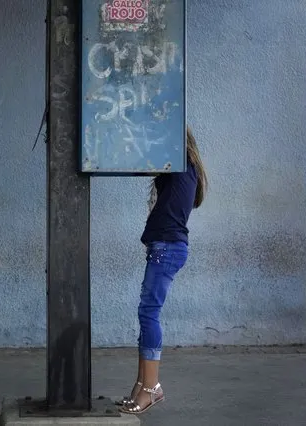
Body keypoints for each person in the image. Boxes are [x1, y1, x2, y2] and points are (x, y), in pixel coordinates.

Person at [118, 127, 207, 415]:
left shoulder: (180, 163)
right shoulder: (183, 166)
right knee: (147, 314)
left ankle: (152, 388)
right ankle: (142, 385)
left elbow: (139, 165)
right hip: (165, 246)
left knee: (149, 314)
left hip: (167, 248)